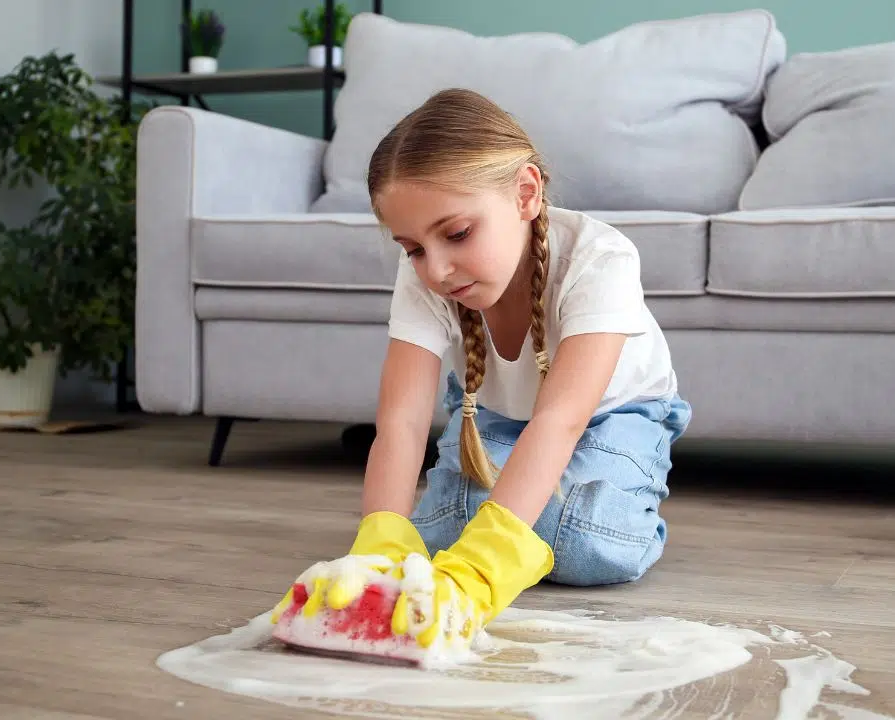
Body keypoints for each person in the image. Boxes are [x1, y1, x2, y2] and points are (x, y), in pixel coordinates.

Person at [271, 87, 691, 650]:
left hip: (610, 416)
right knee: (443, 525)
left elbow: (560, 421)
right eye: (412, 248)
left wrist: (480, 575)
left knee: (584, 538)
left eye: (457, 234)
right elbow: (401, 423)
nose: (436, 270)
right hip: (490, 413)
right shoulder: (424, 274)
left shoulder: (600, 259)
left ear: (525, 194)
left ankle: (610, 509)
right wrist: (378, 553)